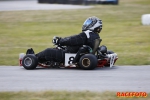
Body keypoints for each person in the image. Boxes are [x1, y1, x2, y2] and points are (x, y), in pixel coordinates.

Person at [27, 16, 103, 63]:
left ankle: (32, 58)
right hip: (77, 53)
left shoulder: (86, 35)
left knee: (48, 51)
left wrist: (59, 41)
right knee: (56, 49)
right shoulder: (95, 36)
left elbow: (72, 40)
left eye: (88, 22)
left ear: (92, 25)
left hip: (68, 54)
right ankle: (39, 59)